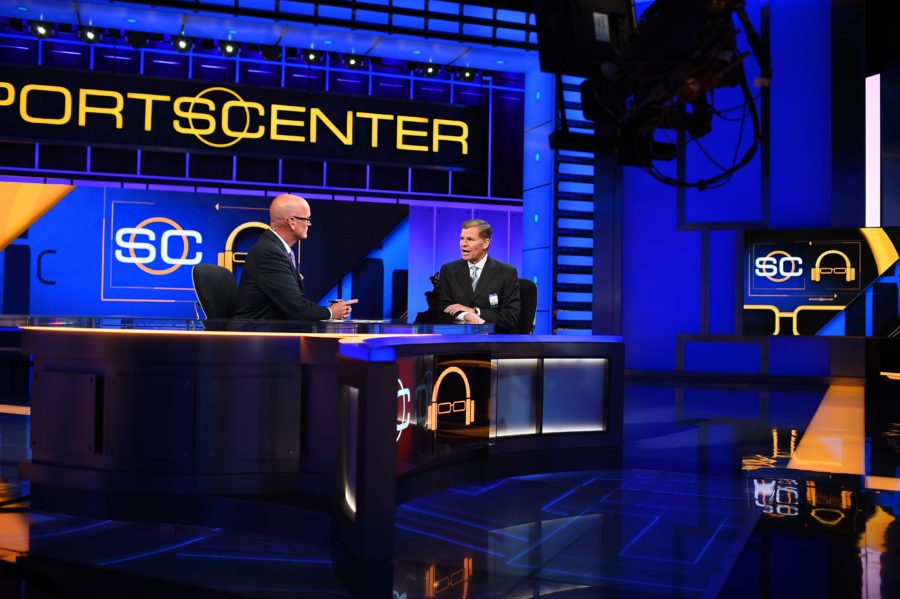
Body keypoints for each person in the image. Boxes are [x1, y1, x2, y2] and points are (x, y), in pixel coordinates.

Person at [233, 193, 354, 321]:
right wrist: (330, 312)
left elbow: (292, 305)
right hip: (255, 337)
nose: (309, 224)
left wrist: (328, 311)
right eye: (307, 219)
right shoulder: (270, 254)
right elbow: (297, 309)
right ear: (292, 222)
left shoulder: (274, 249)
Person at [437, 218, 520, 333]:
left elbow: (509, 318)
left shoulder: (506, 272)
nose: (463, 244)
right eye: (462, 238)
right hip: (458, 340)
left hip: (493, 341)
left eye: (470, 239)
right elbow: (441, 308)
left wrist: (475, 311)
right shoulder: (449, 270)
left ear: (485, 243)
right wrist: (465, 315)